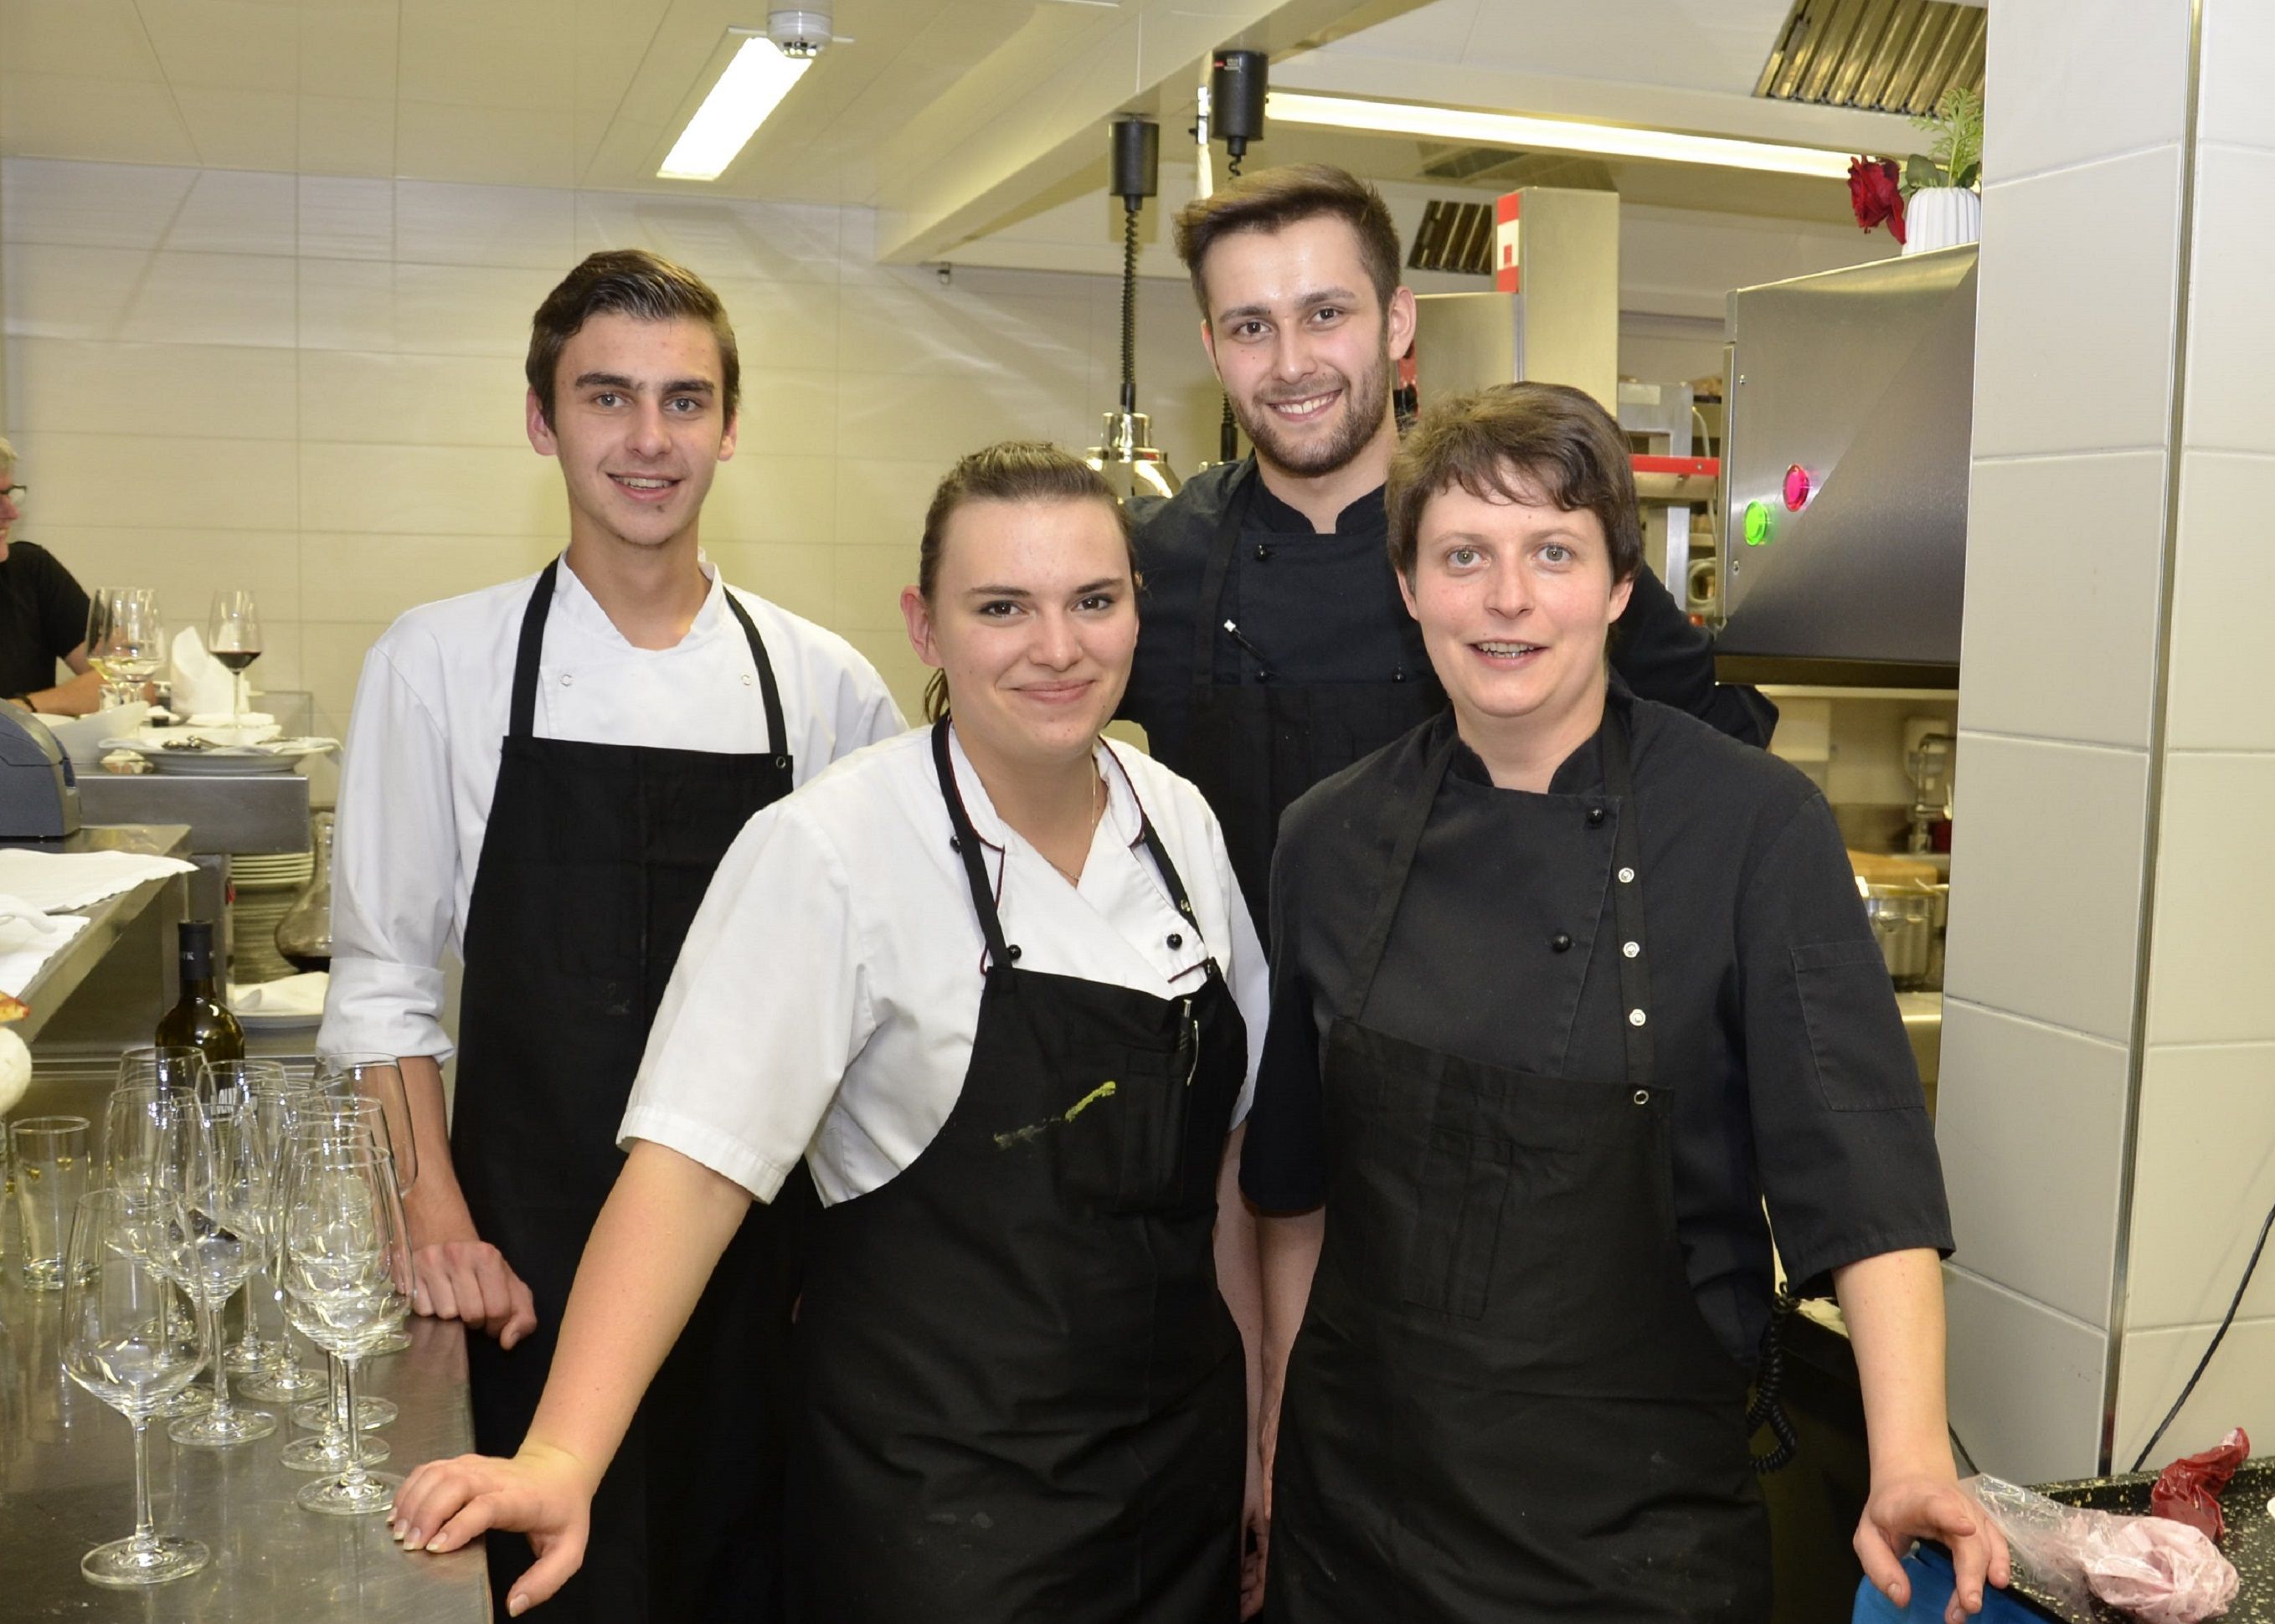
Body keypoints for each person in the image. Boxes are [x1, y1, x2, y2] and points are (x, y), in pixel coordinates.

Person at [387, 443, 1271, 1624]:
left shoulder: (1180, 826)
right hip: (939, 1512)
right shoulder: (832, 849)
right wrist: (559, 1456)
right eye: (1001, 607)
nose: (1056, 647)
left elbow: (1229, 1164)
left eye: (1093, 601)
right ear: (924, 626)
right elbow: (691, 1173)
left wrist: (1258, 1432)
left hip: (1177, 1487)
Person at [1246, 383, 2007, 1623]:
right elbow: (1293, 1191)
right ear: (1407, 586)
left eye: (1552, 553)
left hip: (1632, 1547)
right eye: (1463, 555)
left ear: (1615, 587)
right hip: (1359, 1533)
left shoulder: (1752, 826)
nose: (1506, 599)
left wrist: (1911, 1456)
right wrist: (1274, 1428)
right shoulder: (1323, 839)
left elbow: (1861, 1171)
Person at [322, 249, 902, 1624]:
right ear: (543, 421)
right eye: (608, 397)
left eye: (685, 401)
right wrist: (433, 1220)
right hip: (516, 1268)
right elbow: (385, 982)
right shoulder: (437, 665)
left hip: (764, 1276)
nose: (650, 439)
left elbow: (884, 1014)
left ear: (729, 427)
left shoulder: (823, 688)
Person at [1120, 163, 1773, 933]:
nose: (1292, 364)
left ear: (1397, 322)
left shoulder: (1522, 545)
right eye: (1251, 327)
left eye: (1326, 314)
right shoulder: (1153, 560)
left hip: (1502, 990)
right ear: (1213, 348)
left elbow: (1720, 750)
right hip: (1239, 1003)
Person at [0, 445, 105, 716]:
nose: (12, 513)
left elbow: (127, 682)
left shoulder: (31, 570)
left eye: (8, 494)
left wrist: (17, 711)